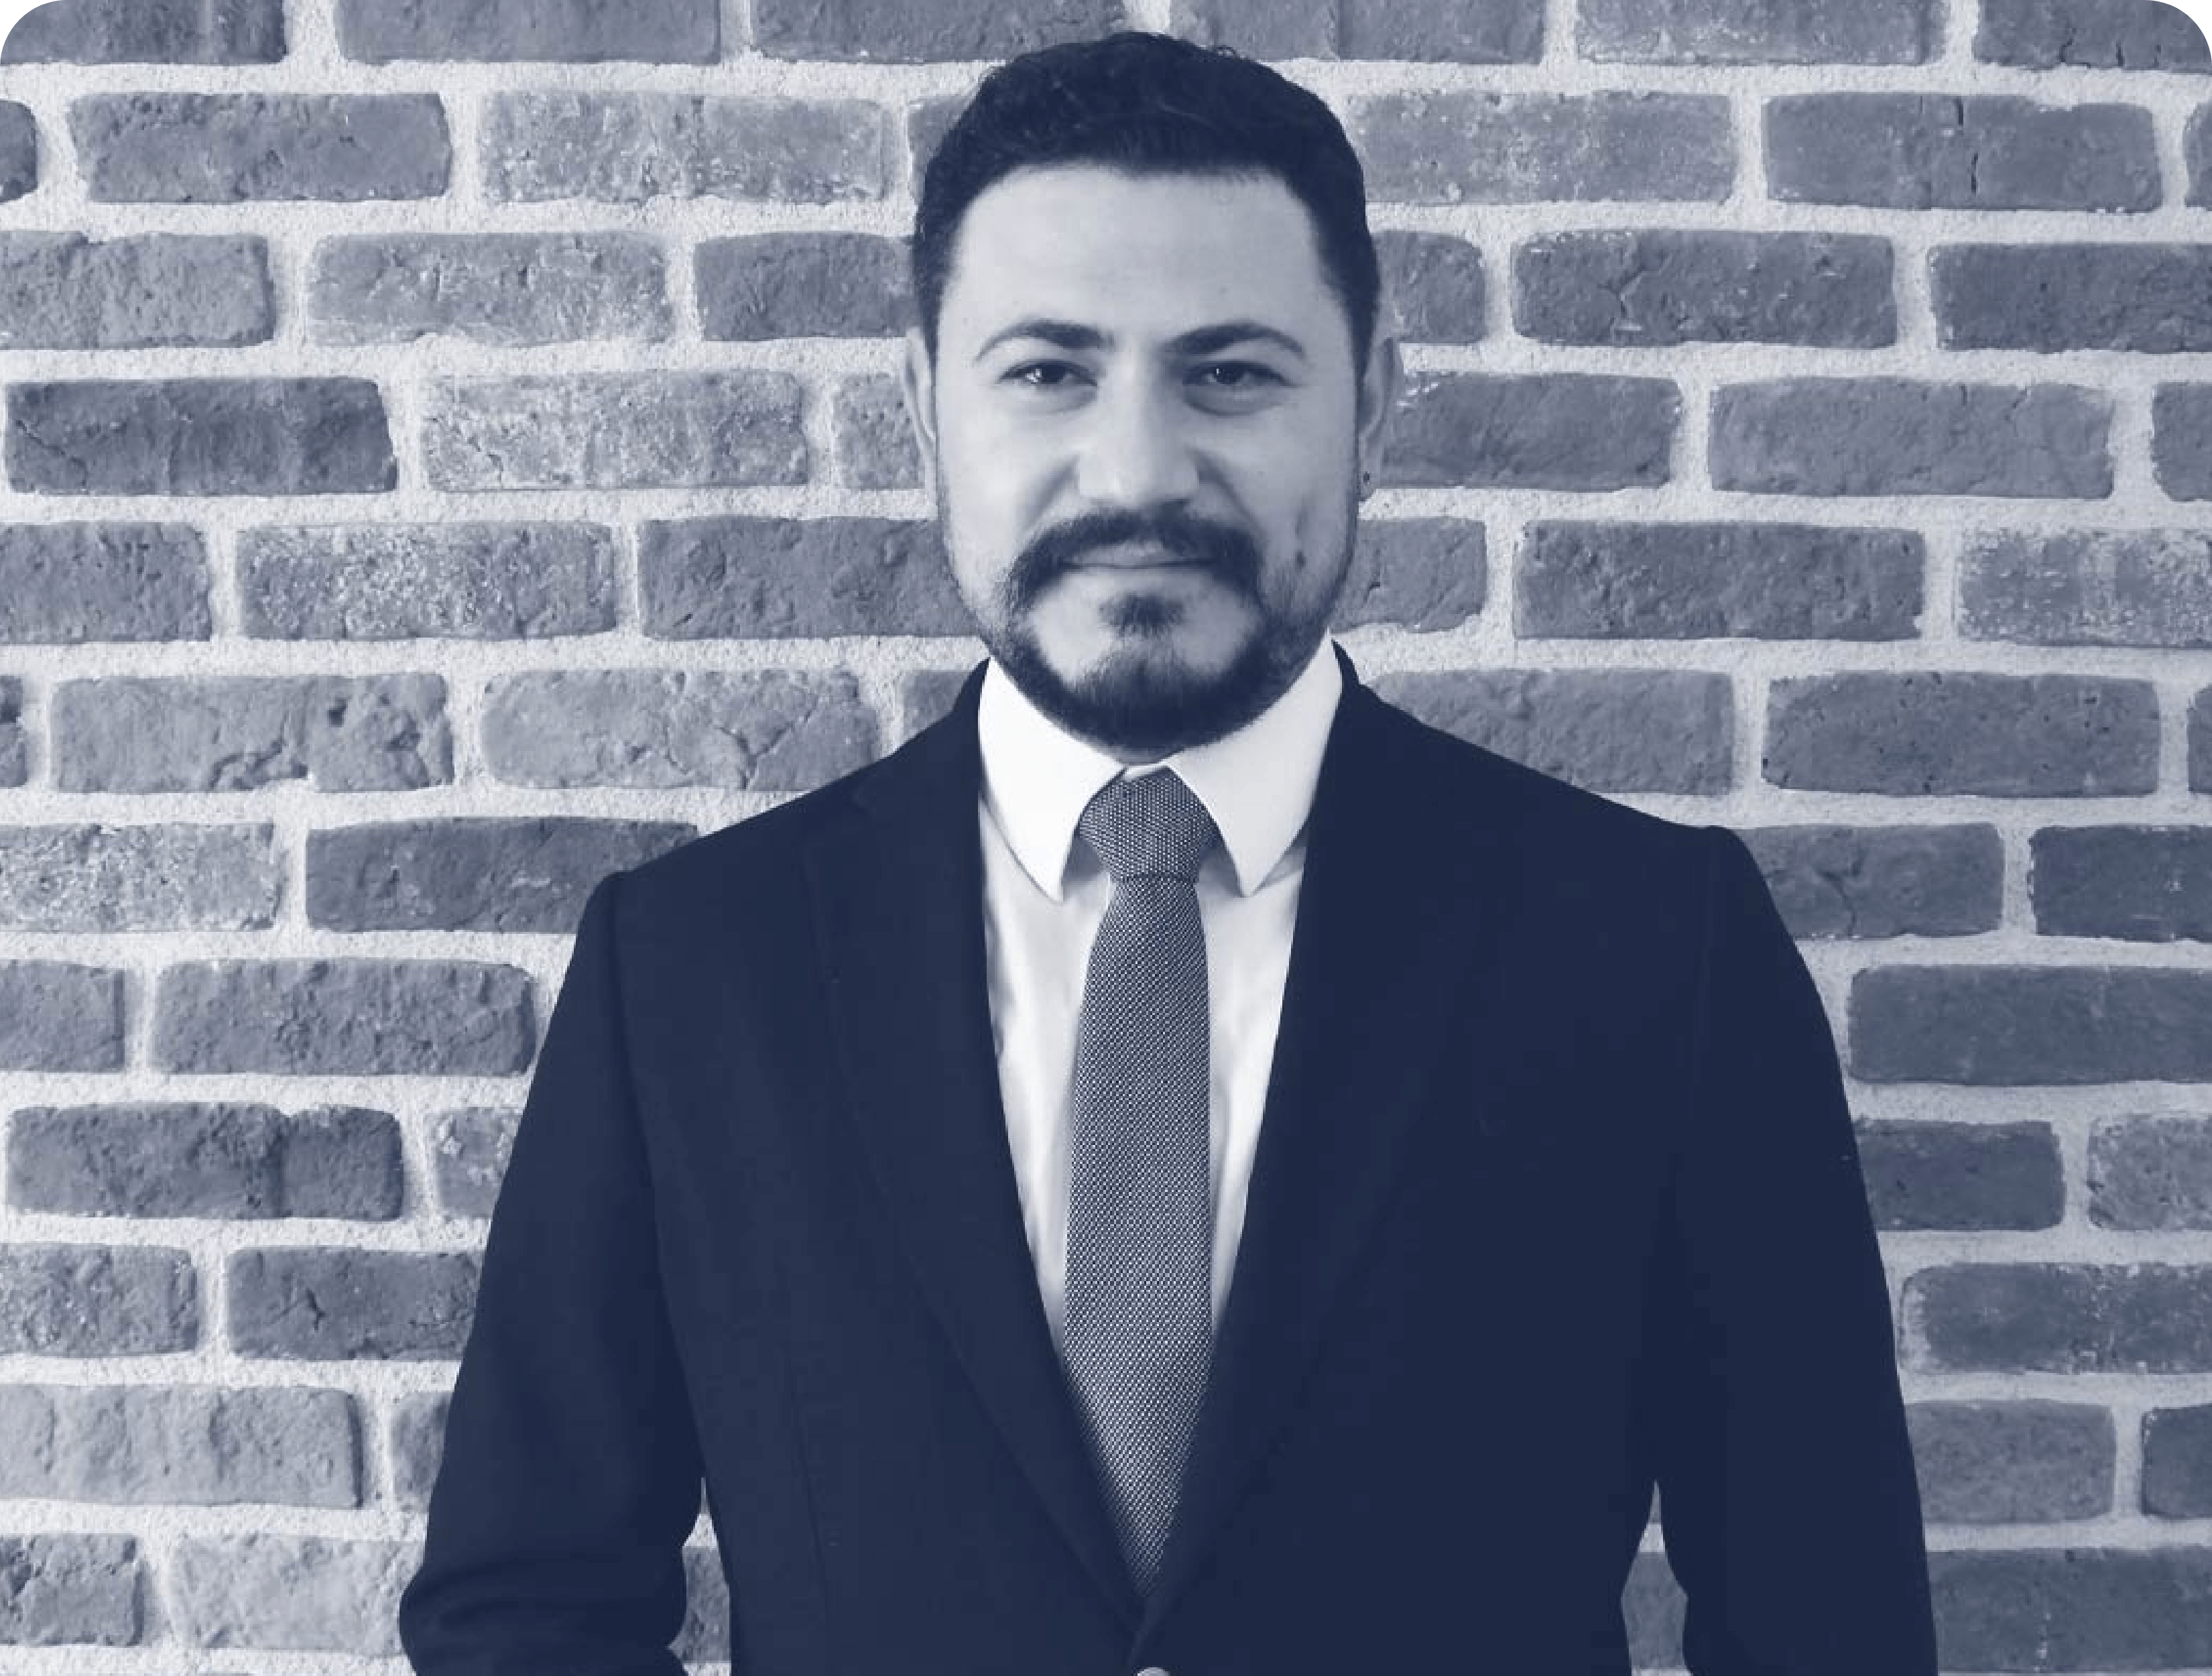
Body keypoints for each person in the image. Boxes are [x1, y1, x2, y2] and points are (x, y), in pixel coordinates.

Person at [397, 31, 1937, 1675]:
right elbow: (525, 1603)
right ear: (924, 407)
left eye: (1232, 374)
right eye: (1048, 372)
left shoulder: (1656, 949)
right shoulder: (691, 971)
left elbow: (1826, 1620)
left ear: (1373, 403)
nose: (1137, 472)